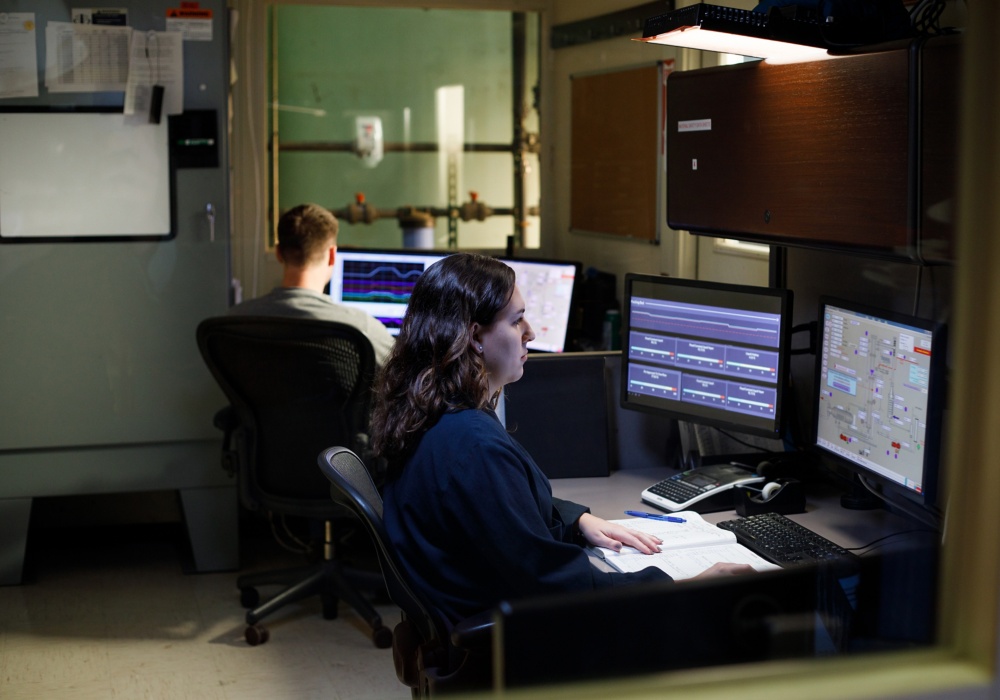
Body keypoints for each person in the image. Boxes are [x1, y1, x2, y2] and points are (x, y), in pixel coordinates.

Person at [369, 253, 752, 624]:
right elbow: (557, 589)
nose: (530, 333)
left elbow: (503, 511)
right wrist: (682, 588)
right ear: (475, 338)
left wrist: (577, 519)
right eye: (517, 321)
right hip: (520, 644)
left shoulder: (433, 413)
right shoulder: (474, 447)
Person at [228, 203, 394, 365]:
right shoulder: (361, 328)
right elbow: (403, 370)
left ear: (278, 254)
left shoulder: (234, 322)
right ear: (332, 255)